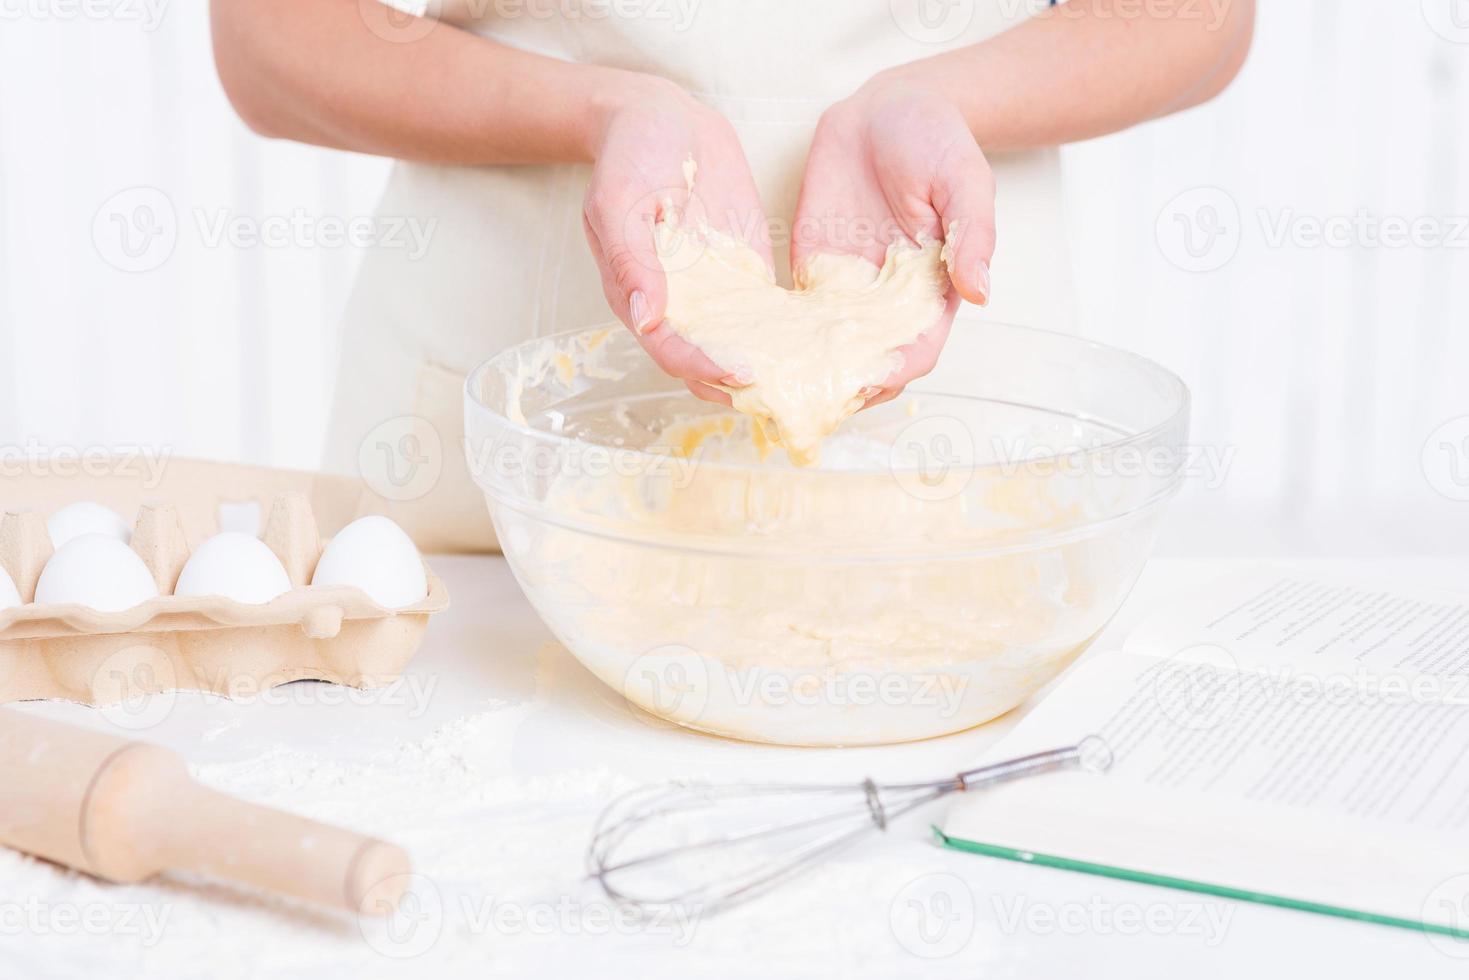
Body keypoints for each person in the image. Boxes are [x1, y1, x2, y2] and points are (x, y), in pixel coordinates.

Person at [210, 0, 1254, 549]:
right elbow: (273, 35)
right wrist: (598, 112)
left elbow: (1198, 16)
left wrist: (937, 95)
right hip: (507, 462)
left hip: (959, 422)